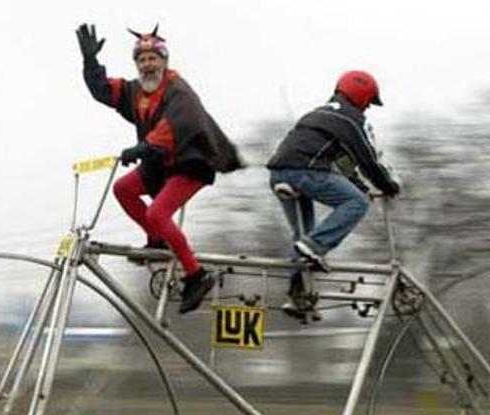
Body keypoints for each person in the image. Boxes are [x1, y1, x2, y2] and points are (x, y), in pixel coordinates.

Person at [75, 23, 242, 313]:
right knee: (123, 189)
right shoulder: (136, 91)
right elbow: (104, 91)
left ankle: (196, 275)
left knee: (157, 213)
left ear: (164, 60)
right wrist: (91, 62)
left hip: (190, 161)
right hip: (160, 164)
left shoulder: (178, 89)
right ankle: (158, 241)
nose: (147, 65)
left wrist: (144, 147)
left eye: (152, 58)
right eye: (141, 59)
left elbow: (179, 123)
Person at [266, 71, 401, 306]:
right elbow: (367, 160)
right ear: (361, 96)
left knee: (303, 236)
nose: (368, 108)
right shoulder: (351, 119)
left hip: (279, 174)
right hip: (306, 171)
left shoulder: (317, 113)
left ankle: (298, 295)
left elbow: (343, 162)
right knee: (356, 202)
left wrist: (358, 184)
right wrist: (387, 185)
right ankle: (316, 246)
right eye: (369, 102)